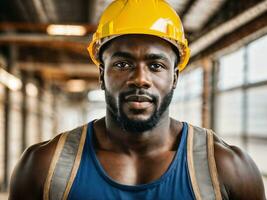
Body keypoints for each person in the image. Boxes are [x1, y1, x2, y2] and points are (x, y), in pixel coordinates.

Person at [9, 0, 266, 199]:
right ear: (102, 75)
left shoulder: (228, 169)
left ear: (175, 77)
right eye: (122, 64)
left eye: (156, 65)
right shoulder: (43, 167)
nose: (139, 79)